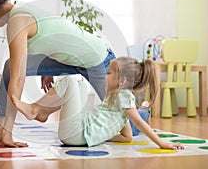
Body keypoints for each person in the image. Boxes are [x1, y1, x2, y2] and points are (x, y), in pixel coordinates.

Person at [0, 0, 115, 147]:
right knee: (10, 66)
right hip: (69, 60)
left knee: (128, 126)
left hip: (97, 59)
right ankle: (0, 120)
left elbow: (18, 78)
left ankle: (22, 118)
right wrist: (48, 65)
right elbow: (50, 35)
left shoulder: (17, 20)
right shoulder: (19, 11)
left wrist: (8, 133)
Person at [11, 57, 184, 149]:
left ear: (122, 81)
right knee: (78, 84)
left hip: (76, 134)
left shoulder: (123, 96)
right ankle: (43, 111)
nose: (104, 76)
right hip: (77, 134)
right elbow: (128, 136)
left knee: (72, 82)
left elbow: (138, 121)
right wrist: (100, 136)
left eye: (109, 73)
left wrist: (161, 143)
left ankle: (36, 109)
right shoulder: (119, 99)